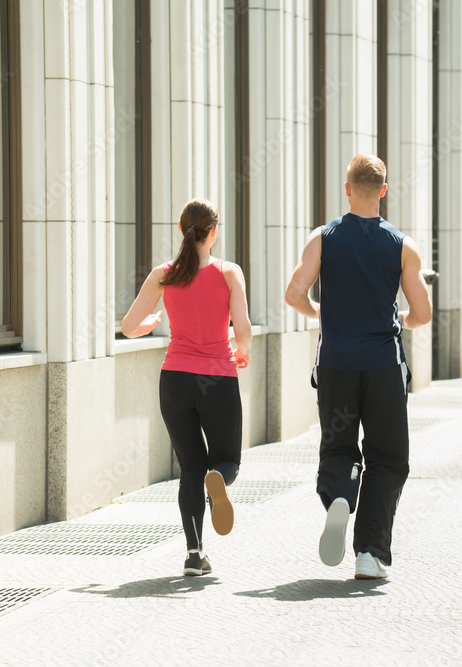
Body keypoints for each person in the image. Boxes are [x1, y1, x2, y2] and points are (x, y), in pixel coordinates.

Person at [285, 154, 433, 579]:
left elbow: (294, 293)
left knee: (338, 448)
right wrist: (396, 319)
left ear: (347, 189)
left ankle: (340, 495)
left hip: (335, 364)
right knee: (388, 457)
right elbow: (421, 313)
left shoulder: (323, 238)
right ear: (383, 191)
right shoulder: (403, 246)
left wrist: (320, 313)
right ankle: (369, 554)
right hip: (384, 365)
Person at [122, 198, 251, 577]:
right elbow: (242, 330)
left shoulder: (164, 274)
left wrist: (147, 326)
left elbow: (129, 326)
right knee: (227, 460)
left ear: (182, 230)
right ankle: (219, 483)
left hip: (174, 379)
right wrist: (240, 352)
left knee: (190, 467)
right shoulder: (230, 272)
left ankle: (194, 555)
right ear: (213, 232)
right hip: (217, 379)